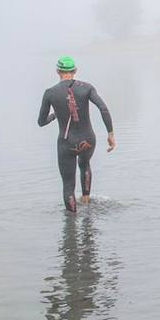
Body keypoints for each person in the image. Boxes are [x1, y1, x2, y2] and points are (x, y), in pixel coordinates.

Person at [37, 56, 115, 212]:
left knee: (68, 185)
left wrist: (54, 115)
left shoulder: (50, 93)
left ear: (58, 71)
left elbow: (41, 122)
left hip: (67, 143)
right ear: (75, 71)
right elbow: (103, 108)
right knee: (85, 165)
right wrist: (110, 133)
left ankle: (71, 225)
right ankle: (86, 201)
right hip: (88, 139)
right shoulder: (87, 87)